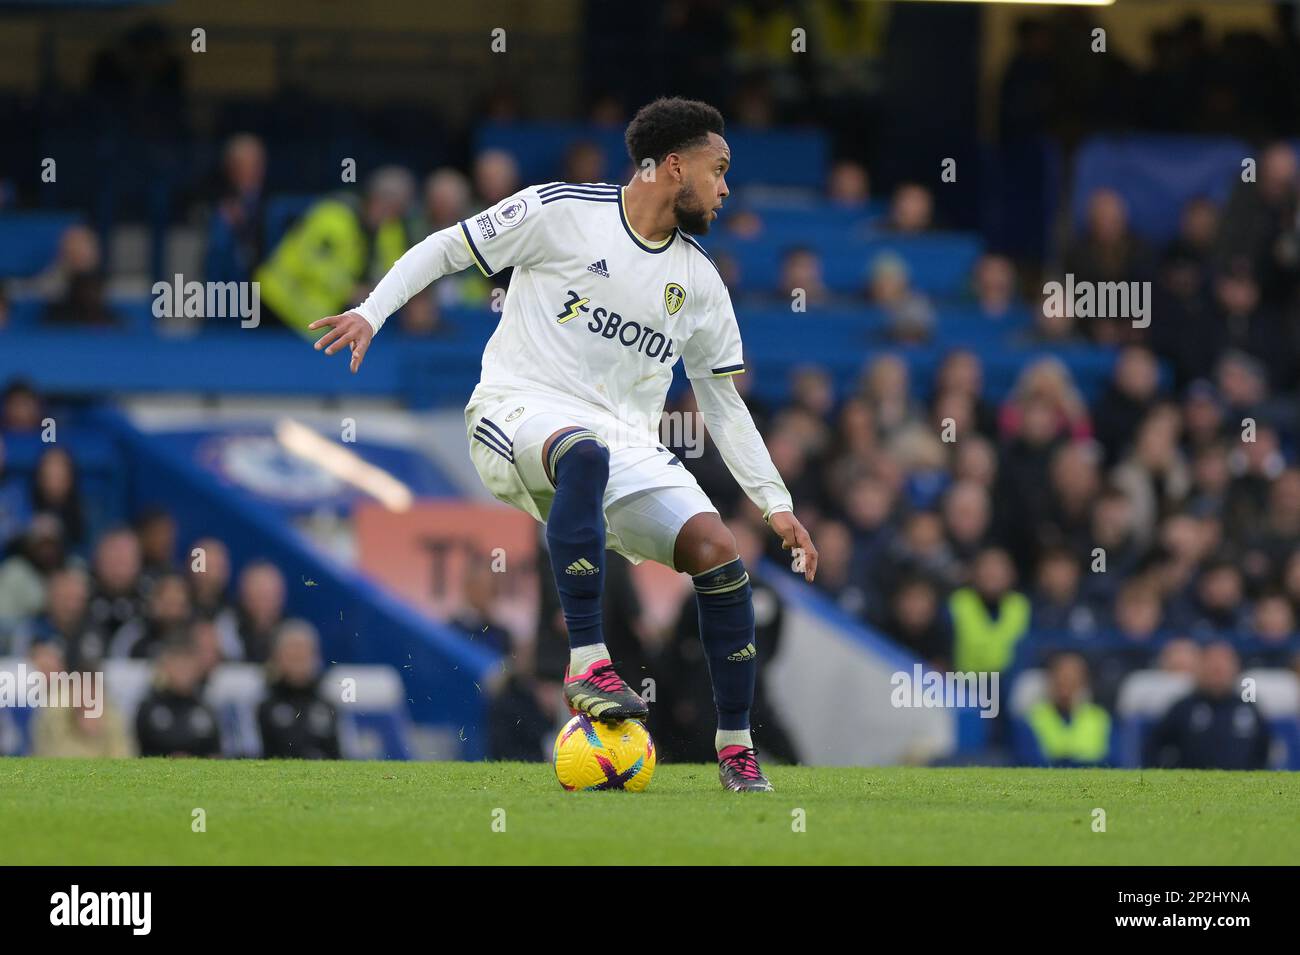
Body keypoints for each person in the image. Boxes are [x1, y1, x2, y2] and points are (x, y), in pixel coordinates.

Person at [309, 97, 819, 792]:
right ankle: (587, 662)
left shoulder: (699, 279)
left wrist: (774, 502)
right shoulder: (562, 210)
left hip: (624, 444)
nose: (726, 188)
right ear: (673, 166)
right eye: (718, 169)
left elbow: (723, 403)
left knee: (717, 550)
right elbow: (449, 245)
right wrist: (372, 312)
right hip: (518, 409)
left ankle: (735, 749)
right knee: (582, 451)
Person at [1144, 641, 1271, 770]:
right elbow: (1154, 748)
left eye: (1223, 666)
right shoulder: (1183, 708)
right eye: (1211, 666)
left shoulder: (1249, 708)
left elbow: (1264, 751)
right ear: (1199, 668)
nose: (1217, 671)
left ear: (1235, 669)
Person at [256, 620, 340, 760]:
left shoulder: (328, 706)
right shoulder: (262, 704)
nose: (299, 658)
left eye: (304, 653)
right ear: (277, 658)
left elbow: (340, 757)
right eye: (292, 653)